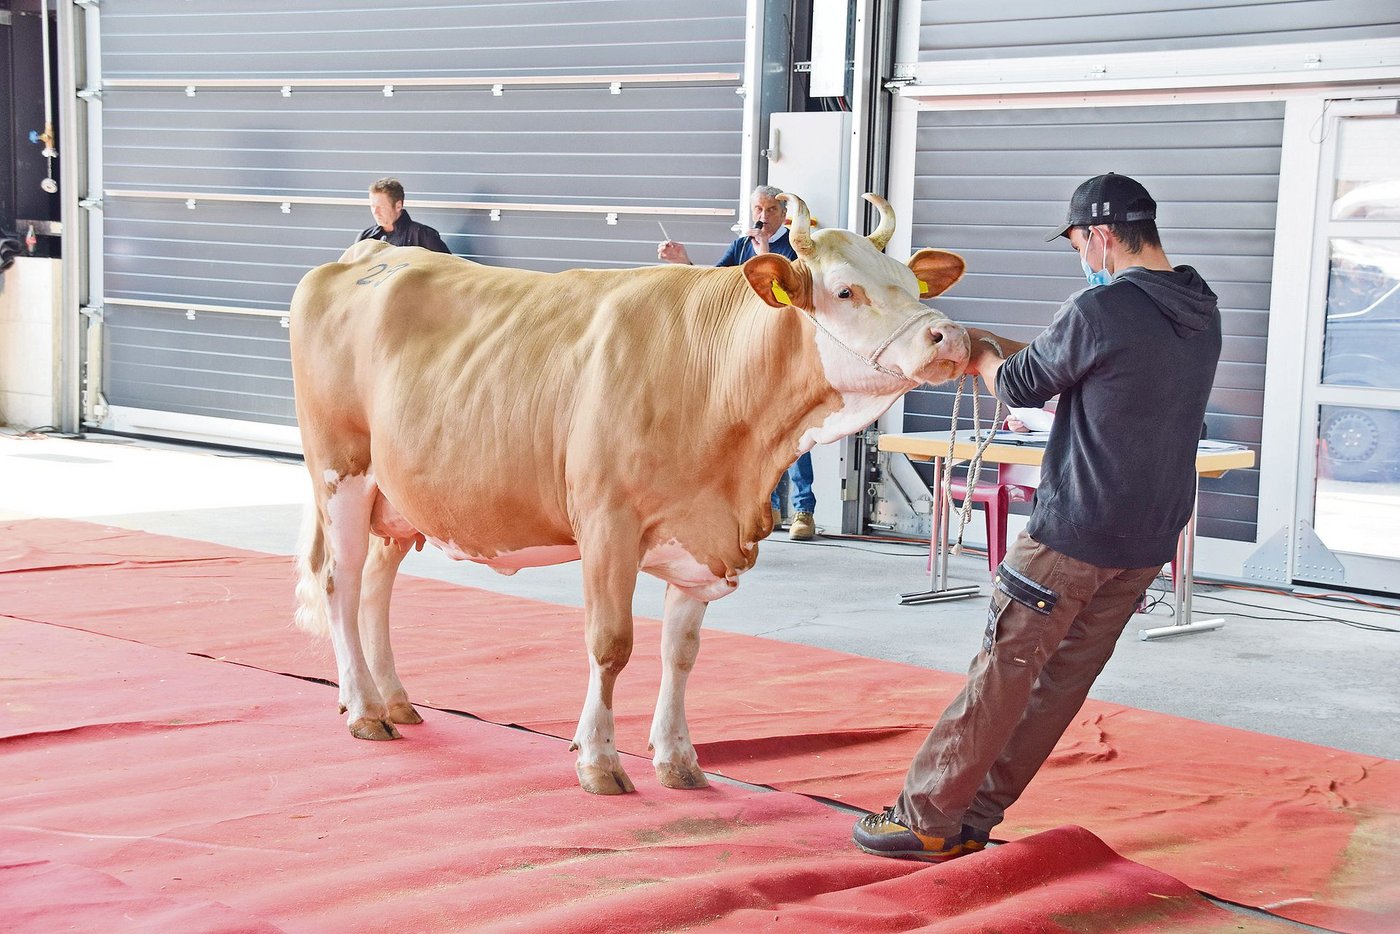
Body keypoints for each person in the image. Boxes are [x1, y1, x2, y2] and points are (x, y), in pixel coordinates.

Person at [852, 172, 1222, 862]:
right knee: (1059, 687)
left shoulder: (1099, 309)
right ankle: (974, 818)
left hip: (1072, 533)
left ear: (1101, 237)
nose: (1081, 256)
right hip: (1146, 539)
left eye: (1080, 242)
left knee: (1003, 670)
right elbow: (1094, 373)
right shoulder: (1201, 309)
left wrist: (979, 353)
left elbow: (1021, 385)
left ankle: (926, 817)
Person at [659, 185, 816, 541]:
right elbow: (716, 282)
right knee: (760, 428)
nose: (761, 216)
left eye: (768, 210)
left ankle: (804, 510)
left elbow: (792, 293)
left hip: (788, 348)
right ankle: (768, 507)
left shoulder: (796, 246)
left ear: (781, 214)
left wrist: (764, 255)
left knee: (795, 431)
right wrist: (684, 261)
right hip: (751, 349)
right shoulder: (742, 246)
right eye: (756, 209)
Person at [355, 177, 451, 253]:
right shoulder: (364, 238)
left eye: (381, 207)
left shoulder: (423, 236)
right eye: (373, 206)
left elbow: (450, 269)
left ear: (398, 206)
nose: (375, 212)